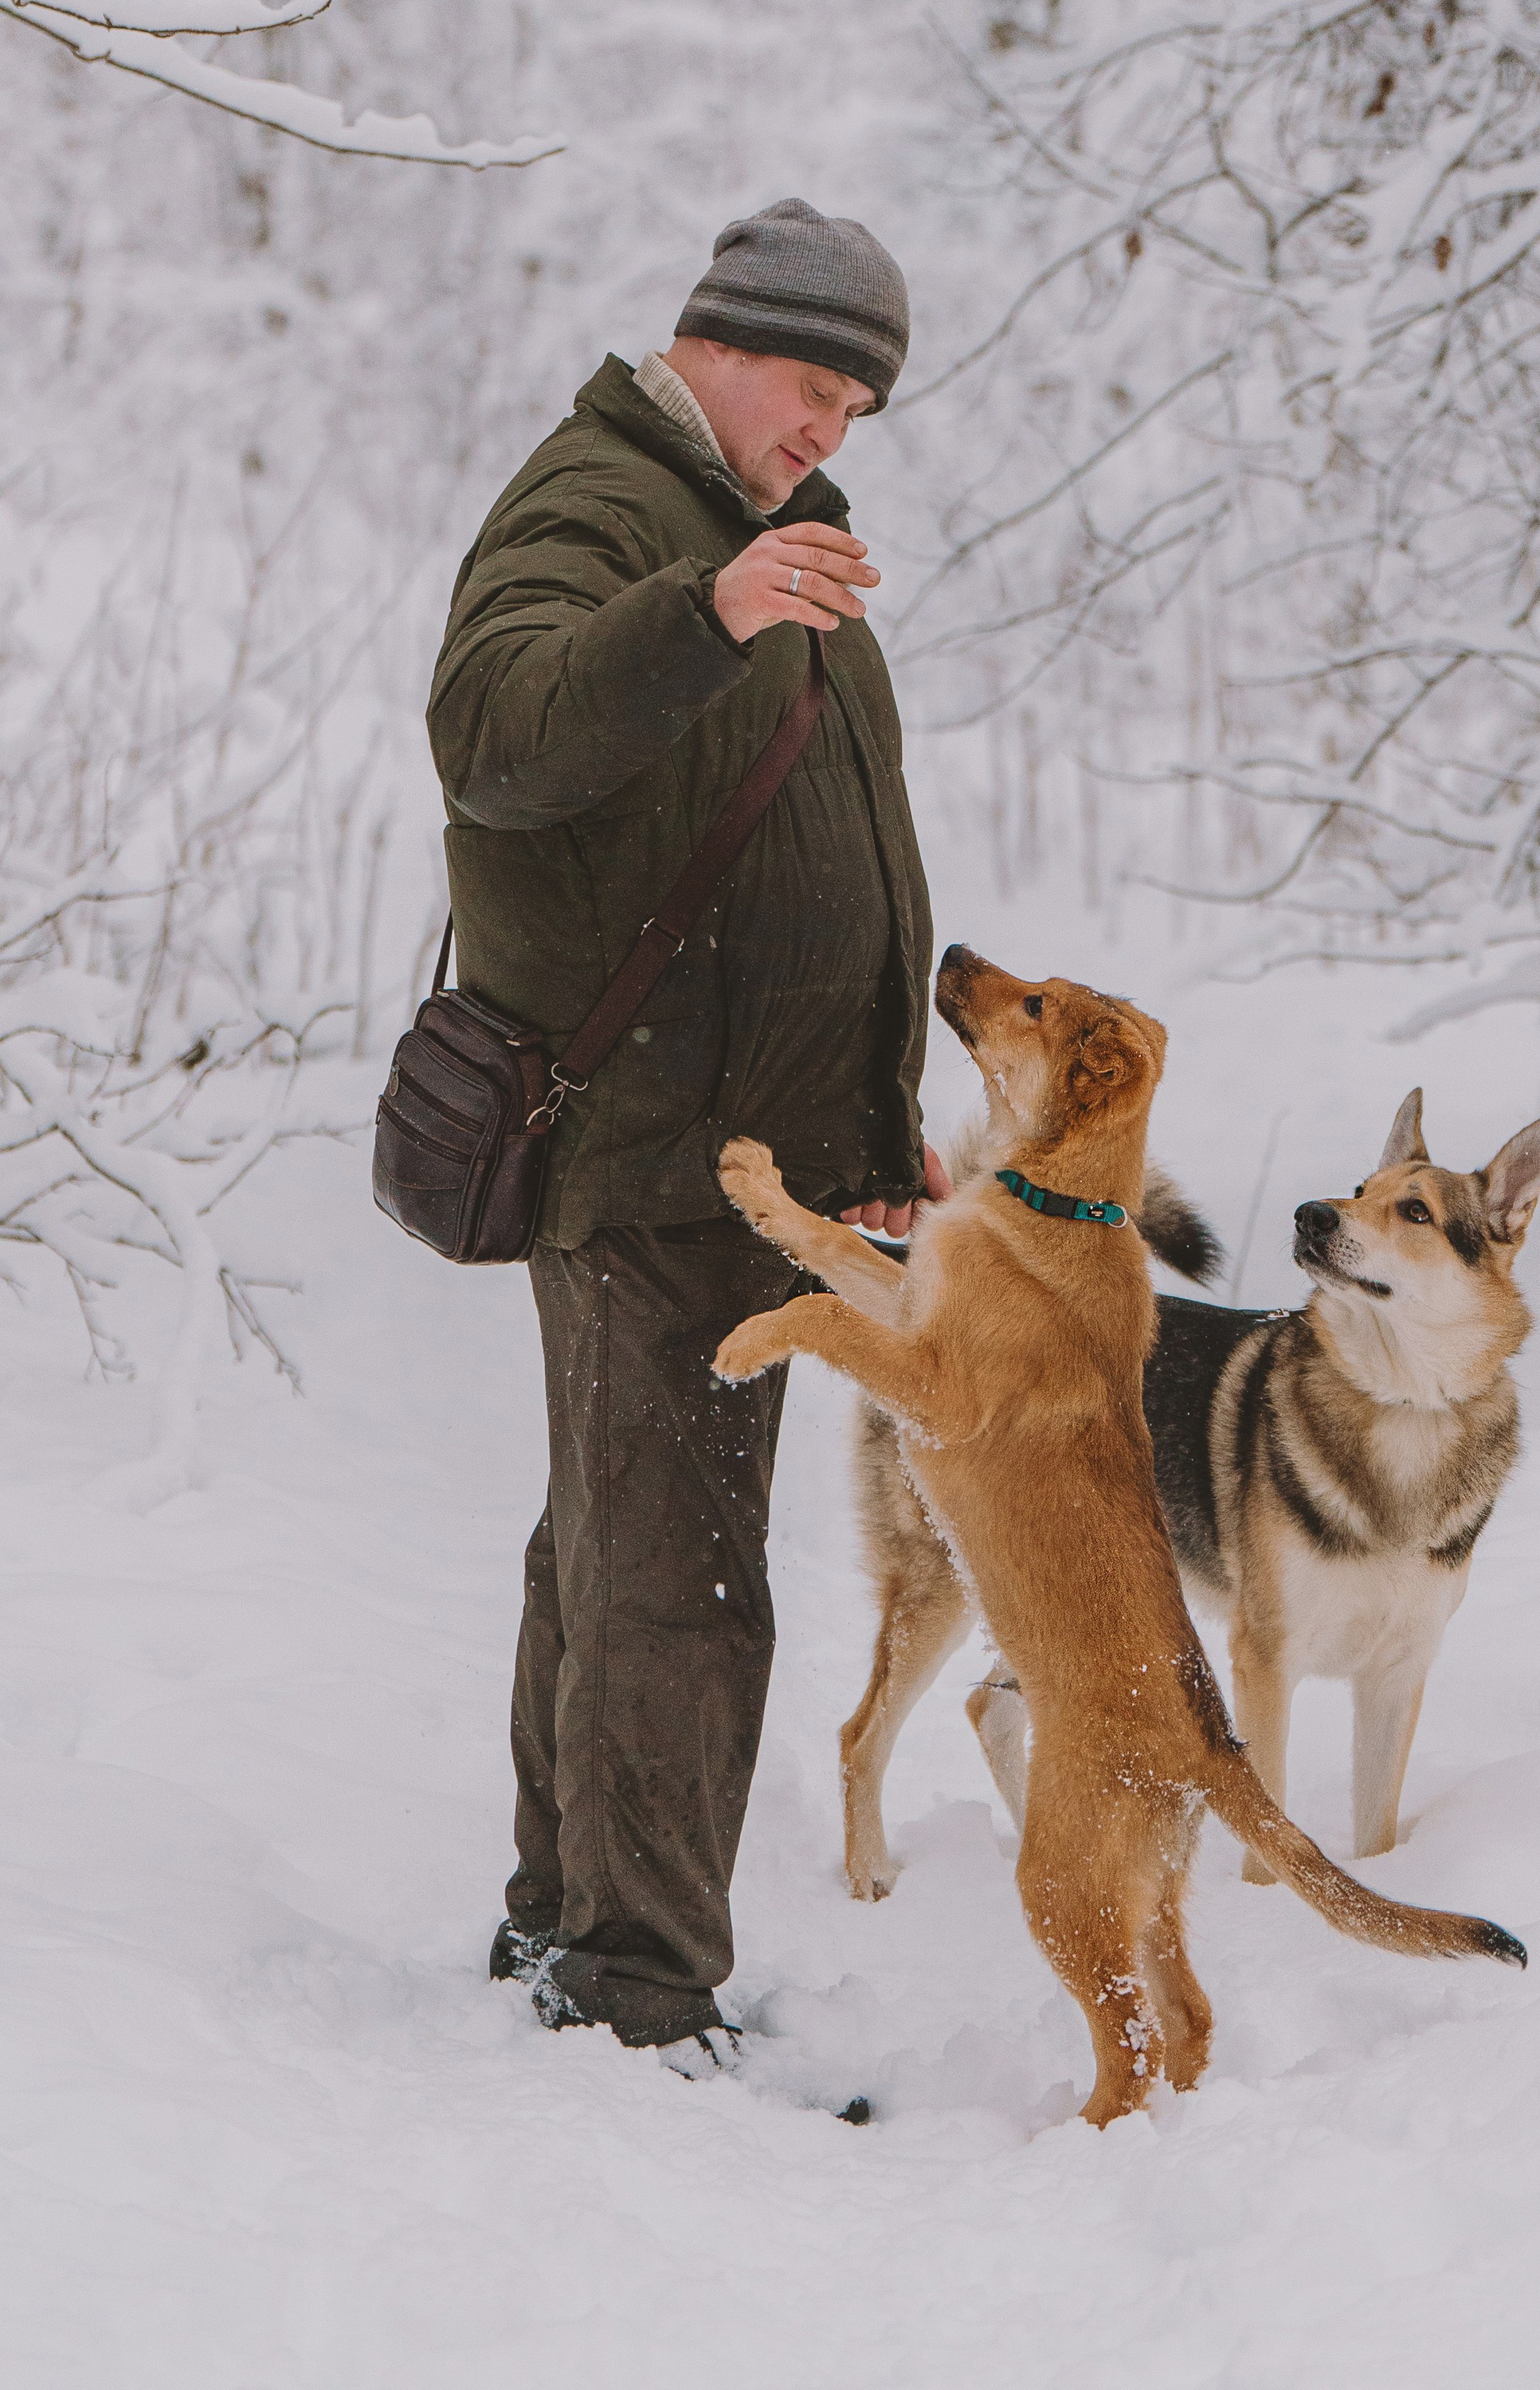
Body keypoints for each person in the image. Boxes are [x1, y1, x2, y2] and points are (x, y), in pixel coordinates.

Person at [428, 198, 945, 2069]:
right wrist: (703, 608)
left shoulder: (746, 524)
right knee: (678, 1578)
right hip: (649, 1142)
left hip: (744, 1147)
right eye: (813, 383)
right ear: (713, 340)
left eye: (857, 405)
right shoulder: (606, 506)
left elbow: (837, 859)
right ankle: (635, 1996)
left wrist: (876, 1121)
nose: (831, 427)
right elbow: (496, 734)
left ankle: (566, 1923)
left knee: (621, 1541)